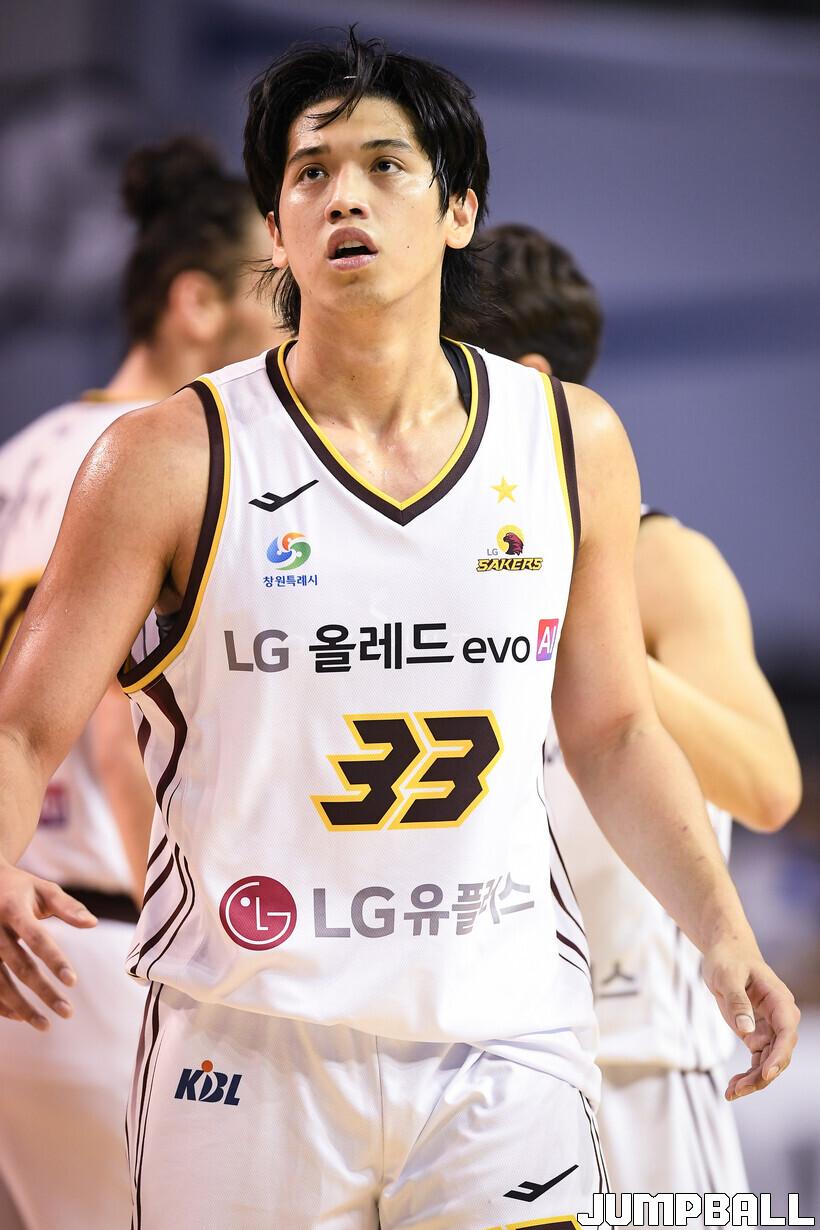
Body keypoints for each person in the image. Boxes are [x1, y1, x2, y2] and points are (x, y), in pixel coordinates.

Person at [0, 32, 800, 1230]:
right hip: (247, 1041)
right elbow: (23, 727)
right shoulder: (165, 456)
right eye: (310, 173)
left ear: (459, 210)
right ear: (275, 230)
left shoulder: (569, 439)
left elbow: (614, 728)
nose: (345, 197)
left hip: (504, 1038)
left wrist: (720, 932)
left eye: (385, 165)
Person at [470, 222, 802, 1209]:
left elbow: (768, 785)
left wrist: (593, 646)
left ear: (529, 385)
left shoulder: (662, 560)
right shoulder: (435, 565)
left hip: (639, 1059)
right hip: (478, 1059)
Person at [0, 134, 282, 1230]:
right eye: (277, 295)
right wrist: (190, 968)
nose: (297, 326)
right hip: (109, 953)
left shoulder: (22, 456)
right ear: (195, 304)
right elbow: (122, 736)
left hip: (28, 938)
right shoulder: (145, 467)